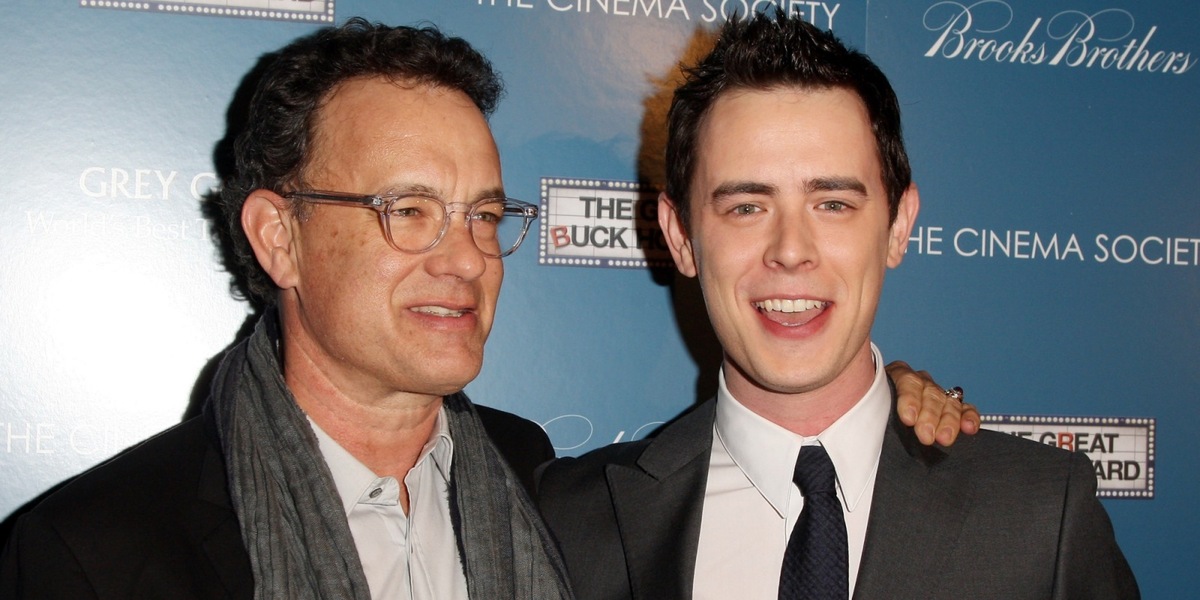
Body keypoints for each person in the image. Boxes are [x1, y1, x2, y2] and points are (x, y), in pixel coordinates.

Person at [1, 16, 973, 600]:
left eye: (483, 215)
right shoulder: (90, 557)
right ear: (278, 236)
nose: (464, 258)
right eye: (408, 211)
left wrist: (876, 406)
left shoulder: (535, 480)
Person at [536, 11, 1139, 600]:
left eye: (833, 205)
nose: (790, 251)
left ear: (898, 226)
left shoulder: (1042, 516)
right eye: (746, 207)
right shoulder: (572, 518)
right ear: (680, 236)